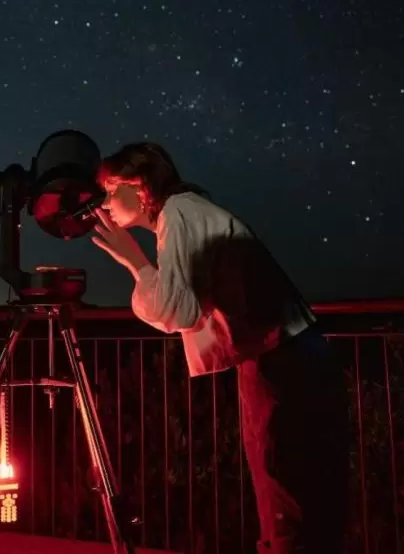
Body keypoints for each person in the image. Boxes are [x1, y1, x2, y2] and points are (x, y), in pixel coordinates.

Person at [89, 142, 349, 554]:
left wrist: (136, 264)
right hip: (283, 353)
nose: (103, 202)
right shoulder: (183, 212)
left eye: (109, 188)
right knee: (294, 485)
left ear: (139, 187)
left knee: (283, 488)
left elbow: (180, 310)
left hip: (280, 359)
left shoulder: (178, 212)